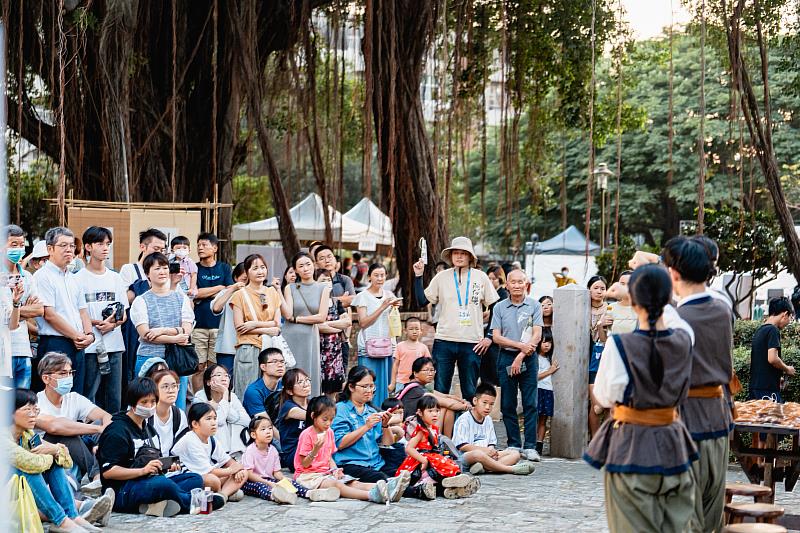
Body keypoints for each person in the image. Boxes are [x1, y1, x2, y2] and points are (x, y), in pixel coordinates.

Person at [584, 264, 698, 533]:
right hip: (675, 443)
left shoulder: (620, 345)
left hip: (631, 445)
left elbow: (604, 396)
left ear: (633, 301)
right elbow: (675, 321)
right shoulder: (684, 338)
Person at [662, 236, 735, 532]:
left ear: (674, 274)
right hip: (719, 421)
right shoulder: (723, 309)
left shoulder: (676, 319)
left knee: (685, 519)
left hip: (686, 425)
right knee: (712, 517)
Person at [96, 377, 204, 517]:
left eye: (153, 402)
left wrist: (165, 466)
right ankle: (192, 503)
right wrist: (143, 471)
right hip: (122, 490)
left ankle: (156, 504)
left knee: (195, 479)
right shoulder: (117, 430)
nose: (149, 406)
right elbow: (109, 472)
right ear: (133, 404)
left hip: (148, 479)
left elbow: (154, 463)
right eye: (144, 402)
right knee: (163, 485)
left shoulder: (149, 429)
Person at [8, 388, 112, 533]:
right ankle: (61, 520)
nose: (33, 416)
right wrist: (54, 452)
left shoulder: (27, 435)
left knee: (54, 463)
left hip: (19, 492)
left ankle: (72, 516)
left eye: (35, 410)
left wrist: (55, 451)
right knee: (30, 471)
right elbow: (31, 464)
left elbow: (66, 461)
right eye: (27, 410)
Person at [413, 236, 499, 402]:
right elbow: (422, 301)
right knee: (440, 389)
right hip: (444, 340)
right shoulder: (441, 277)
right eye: (455, 253)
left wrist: (489, 336)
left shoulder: (481, 277)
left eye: (463, 253)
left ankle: (469, 427)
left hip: (472, 342)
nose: (459, 256)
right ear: (450, 256)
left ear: (470, 257)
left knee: (469, 390)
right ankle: (440, 428)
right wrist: (418, 276)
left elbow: (496, 307)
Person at [295, 395, 400, 504]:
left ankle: (388, 488)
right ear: (313, 416)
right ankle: (371, 495)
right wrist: (315, 449)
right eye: (325, 419)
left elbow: (329, 457)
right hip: (308, 476)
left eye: (331, 420)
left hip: (326, 472)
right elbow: (304, 464)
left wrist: (335, 470)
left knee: (353, 482)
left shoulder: (329, 432)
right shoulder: (307, 434)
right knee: (337, 485)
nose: (328, 423)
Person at [331, 366, 414, 499]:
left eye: (371, 386)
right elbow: (340, 443)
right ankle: (416, 492)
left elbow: (386, 444)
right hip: (351, 463)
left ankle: (435, 486)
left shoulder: (371, 411)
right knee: (380, 478)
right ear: (351, 387)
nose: (369, 391)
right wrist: (366, 426)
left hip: (376, 462)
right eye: (364, 387)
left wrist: (385, 426)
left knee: (405, 471)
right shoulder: (340, 410)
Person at [34, 353, 112, 489]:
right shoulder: (36, 403)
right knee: (65, 434)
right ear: (46, 378)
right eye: (63, 373)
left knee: (104, 424)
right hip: (50, 451)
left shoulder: (74, 398)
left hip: (76, 451)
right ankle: (96, 475)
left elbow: (106, 417)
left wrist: (102, 433)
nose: (68, 377)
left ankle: (100, 475)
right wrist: (97, 429)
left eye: (70, 373)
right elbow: (55, 427)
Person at [33, 227, 94, 396]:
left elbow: (83, 311)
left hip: (78, 344)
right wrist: (77, 336)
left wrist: (89, 335)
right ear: (50, 249)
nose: (69, 249)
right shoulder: (42, 276)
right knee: (54, 395)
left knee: (75, 395)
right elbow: (49, 314)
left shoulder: (74, 279)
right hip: (55, 343)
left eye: (71, 245)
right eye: (63, 245)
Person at [129, 253, 194, 410]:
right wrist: (175, 338)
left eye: (165, 267)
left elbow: (187, 329)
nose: (162, 271)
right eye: (157, 268)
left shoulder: (181, 298)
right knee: (148, 404)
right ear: (147, 274)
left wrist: (162, 330)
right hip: (149, 358)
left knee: (177, 406)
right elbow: (146, 334)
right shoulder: (141, 300)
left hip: (178, 359)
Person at [490, 269, 543, 460]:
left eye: (521, 282)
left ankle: (530, 446)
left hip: (529, 358)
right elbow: (496, 337)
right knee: (507, 404)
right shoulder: (499, 307)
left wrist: (521, 355)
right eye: (514, 282)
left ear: (526, 284)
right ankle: (513, 444)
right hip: (506, 357)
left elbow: (537, 334)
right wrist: (518, 346)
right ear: (507, 285)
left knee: (530, 402)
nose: (517, 285)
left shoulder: (534, 306)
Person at [75, 226, 128, 413]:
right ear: (88, 247)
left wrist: (113, 324)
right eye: (100, 244)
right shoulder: (78, 278)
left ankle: (112, 436)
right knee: (89, 395)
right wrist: (96, 323)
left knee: (114, 398)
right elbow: (77, 313)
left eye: (108, 244)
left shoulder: (115, 277)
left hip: (114, 345)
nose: (105, 248)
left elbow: (124, 313)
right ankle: (88, 438)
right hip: (90, 346)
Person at [396, 395, 474, 500]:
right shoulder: (421, 431)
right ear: (420, 413)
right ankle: (450, 483)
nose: (435, 414)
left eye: (437, 411)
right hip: (421, 460)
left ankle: (451, 487)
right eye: (430, 411)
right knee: (438, 469)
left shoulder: (434, 429)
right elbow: (409, 448)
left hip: (432, 458)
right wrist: (423, 460)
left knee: (448, 464)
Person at [241, 416, 332, 504]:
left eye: (270, 428)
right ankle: (275, 496)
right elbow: (249, 474)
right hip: (252, 482)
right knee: (261, 487)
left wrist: (283, 478)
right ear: (253, 434)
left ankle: (310, 493)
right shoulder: (250, 450)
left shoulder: (273, 450)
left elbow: (276, 472)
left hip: (269, 479)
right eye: (263, 429)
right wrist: (267, 483)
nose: (268, 432)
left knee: (290, 482)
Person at [171, 402, 247, 506]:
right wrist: (231, 470)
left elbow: (228, 461)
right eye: (208, 419)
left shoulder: (211, 439)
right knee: (213, 480)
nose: (213, 422)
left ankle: (222, 495)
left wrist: (237, 470)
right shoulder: (190, 440)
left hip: (206, 476)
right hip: (186, 479)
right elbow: (209, 471)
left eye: (215, 418)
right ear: (195, 424)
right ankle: (226, 492)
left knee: (244, 473)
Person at [230, 254, 282, 398]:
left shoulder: (272, 292)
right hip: (248, 349)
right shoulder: (239, 295)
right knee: (246, 392)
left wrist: (254, 325)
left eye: (263, 267)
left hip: (270, 349)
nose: (260, 271)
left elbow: (277, 326)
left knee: (271, 394)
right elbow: (240, 327)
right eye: (255, 268)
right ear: (247, 272)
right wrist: (269, 329)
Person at [451, 383, 532, 476]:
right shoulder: (464, 419)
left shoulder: (488, 419)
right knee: (477, 454)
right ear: (475, 401)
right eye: (484, 403)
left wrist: (491, 451)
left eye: (491, 404)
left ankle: (484, 468)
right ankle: (510, 469)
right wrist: (485, 451)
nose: (487, 407)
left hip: (487, 455)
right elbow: (463, 446)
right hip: (467, 456)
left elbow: (491, 443)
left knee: (515, 454)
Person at [282, 252, 330, 397]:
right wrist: (298, 318)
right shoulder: (290, 288)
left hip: (310, 336)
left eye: (308, 264)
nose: (305, 268)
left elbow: (321, 317)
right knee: (290, 370)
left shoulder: (323, 288)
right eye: (301, 266)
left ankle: (310, 408)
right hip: (290, 335)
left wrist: (298, 319)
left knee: (309, 371)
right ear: (295, 270)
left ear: (314, 265)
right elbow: (288, 314)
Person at [191, 233, 235, 393]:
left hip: (219, 326)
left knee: (215, 367)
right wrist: (218, 288)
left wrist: (204, 293)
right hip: (198, 325)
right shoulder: (194, 269)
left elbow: (230, 290)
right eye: (198, 245)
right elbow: (194, 293)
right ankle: (197, 400)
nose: (200, 248)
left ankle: (213, 399)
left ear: (215, 248)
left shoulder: (224, 268)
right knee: (199, 366)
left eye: (204, 245)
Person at [352, 263, 401, 408]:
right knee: (366, 384)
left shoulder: (390, 295)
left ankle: (382, 417)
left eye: (382, 275)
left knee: (384, 385)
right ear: (369, 277)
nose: (380, 278)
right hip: (368, 347)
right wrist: (383, 307)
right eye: (376, 275)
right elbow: (363, 323)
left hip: (386, 346)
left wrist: (394, 309)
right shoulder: (362, 297)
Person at [4, 224, 43, 389]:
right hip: (3, 352)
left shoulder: (27, 277)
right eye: (14, 245)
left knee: (23, 404)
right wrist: (23, 310)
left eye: (21, 245)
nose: (19, 249)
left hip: (23, 349)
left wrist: (12, 310)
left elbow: (39, 310)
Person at [398, 357, 470, 438]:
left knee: (446, 408)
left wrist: (462, 401)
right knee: (443, 408)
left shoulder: (421, 387)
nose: (430, 373)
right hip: (411, 427)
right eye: (426, 370)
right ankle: (442, 441)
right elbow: (449, 404)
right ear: (415, 373)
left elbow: (447, 396)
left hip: (419, 423)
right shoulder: (416, 390)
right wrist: (467, 406)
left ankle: (446, 442)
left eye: (432, 370)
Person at [193, 364, 250, 454]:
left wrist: (221, 406)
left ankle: (236, 455)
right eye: (219, 375)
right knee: (218, 424)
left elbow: (247, 421)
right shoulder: (200, 397)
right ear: (208, 382)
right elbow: (219, 421)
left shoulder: (232, 396)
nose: (224, 378)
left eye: (226, 375)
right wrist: (225, 396)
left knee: (237, 424)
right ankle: (224, 456)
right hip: (209, 446)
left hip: (233, 448)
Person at [750, 297, 795, 402]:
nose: (788, 322)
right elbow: (772, 359)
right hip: (767, 391)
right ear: (785, 314)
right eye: (790, 318)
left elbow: (761, 361)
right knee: (775, 417)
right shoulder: (773, 330)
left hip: (756, 388)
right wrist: (787, 369)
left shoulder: (760, 330)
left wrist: (777, 377)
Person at [315, 269, 350, 397]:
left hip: (335, 352)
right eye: (322, 280)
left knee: (333, 391)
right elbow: (317, 326)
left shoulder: (336, 302)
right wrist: (337, 327)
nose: (327, 283)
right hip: (319, 350)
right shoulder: (314, 303)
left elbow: (347, 321)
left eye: (328, 280)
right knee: (318, 389)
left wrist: (327, 325)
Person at [210, 262, 247, 374]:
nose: (247, 282)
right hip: (227, 347)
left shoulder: (259, 293)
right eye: (244, 279)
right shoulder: (226, 292)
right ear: (236, 278)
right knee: (225, 379)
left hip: (250, 346)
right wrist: (232, 289)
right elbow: (216, 308)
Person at [587, 275, 611, 437]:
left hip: (605, 356)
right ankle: (595, 440)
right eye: (596, 288)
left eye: (602, 288)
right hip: (585, 358)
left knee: (608, 404)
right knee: (595, 405)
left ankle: (607, 441)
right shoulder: (581, 307)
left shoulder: (610, 309)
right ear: (588, 289)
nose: (599, 291)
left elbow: (605, 337)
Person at [277, 368, 311, 469]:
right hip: (294, 454)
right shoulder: (288, 407)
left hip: (311, 450)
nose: (306, 384)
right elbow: (311, 417)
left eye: (307, 380)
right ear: (289, 391)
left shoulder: (311, 404)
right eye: (300, 382)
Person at [148, 370, 188, 457]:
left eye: (174, 386)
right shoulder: (146, 415)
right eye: (165, 386)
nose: (171, 390)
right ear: (154, 389)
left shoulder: (179, 415)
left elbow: (181, 446)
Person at [482, 266, 509, 387]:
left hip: (496, 339)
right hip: (488, 336)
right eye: (489, 278)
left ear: (500, 279)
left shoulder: (503, 295)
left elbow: (499, 320)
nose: (491, 281)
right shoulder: (492, 294)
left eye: (493, 278)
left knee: (494, 373)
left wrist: (490, 335)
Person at [389, 317, 431, 394]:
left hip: (418, 382)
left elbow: (428, 365)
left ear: (421, 331)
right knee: (401, 403)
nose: (414, 331)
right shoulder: (400, 346)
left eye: (417, 329)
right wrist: (393, 383)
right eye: (411, 329)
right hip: (401, 382)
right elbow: (395, 365)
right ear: (405, 331)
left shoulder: (423, 347)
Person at [243, 347, 286, 419]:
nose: (280, 365)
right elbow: (265, 422)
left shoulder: (285, 386)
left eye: (282, 362)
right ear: (263, 367)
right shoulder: (253, 391)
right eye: (275, 362)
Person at [536, 330, 557, 456]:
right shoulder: (535, 358)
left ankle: (539, 444)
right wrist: (550, 371)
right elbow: (535, 377)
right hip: (538, 390)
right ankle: (531, 444)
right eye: (544, 342)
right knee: (535, 418)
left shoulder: (550, 358)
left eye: (549, 342)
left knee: (544, 420)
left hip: (548, 391)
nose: (546, 345)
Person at [606, 271, 637, 335]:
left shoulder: (642, 309)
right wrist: (600, 325)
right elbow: (605, 338)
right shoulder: (610, 307)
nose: (624, 287)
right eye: (622, 284)